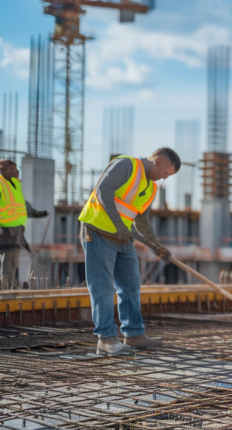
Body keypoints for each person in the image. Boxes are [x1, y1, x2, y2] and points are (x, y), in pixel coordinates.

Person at [78, 148, 180, 356]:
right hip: (98, 232)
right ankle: (106, 339)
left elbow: (141, 223)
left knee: (131, 285)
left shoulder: (150, 188)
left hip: (122, 239)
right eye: (166, 173)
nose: (164, 178)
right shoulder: (126, 165)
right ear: (158, 161)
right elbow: (103, 191)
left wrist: (157, 247)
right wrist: (120, 226)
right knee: (103, 288)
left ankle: (133, 334)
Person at [0, 159, 48, 290]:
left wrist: (37, 213)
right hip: (5, 230)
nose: (17, 171)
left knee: (17, 256)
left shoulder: (14, 184)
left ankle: (19, 284)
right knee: (6, 261)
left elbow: (22, 204)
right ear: (5, 170)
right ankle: (2, 289)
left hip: (16, 230)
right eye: (14, 168)